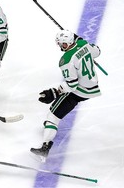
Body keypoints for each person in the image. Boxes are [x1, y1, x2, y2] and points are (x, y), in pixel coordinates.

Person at [30, 29, 101, 162]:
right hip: (92, 87)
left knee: (52, 115)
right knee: (57, 111)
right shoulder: (83, 44)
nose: (60, 46)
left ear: (65, 44)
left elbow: (72, 85)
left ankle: (44, 148)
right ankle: (50, 127)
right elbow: (97, 51)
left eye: (61, 44)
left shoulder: (66, 60)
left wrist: (54, 92)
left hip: (79, 91)